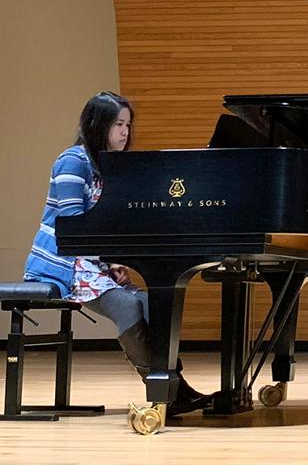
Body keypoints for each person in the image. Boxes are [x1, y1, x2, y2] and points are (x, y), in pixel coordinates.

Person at [23, 91, 210, 417]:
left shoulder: (111, 167)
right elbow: (73, 225)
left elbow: (110, 225)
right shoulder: (73, 160)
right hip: (63, 260)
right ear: (98, 125)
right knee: (126, 304)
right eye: (117, 124)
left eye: (127, 124)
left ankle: (173, 385)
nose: (125, 131)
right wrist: (109, 260)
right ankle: (164, 390)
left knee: (151, 302)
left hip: (91, 260)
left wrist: (116, 261)